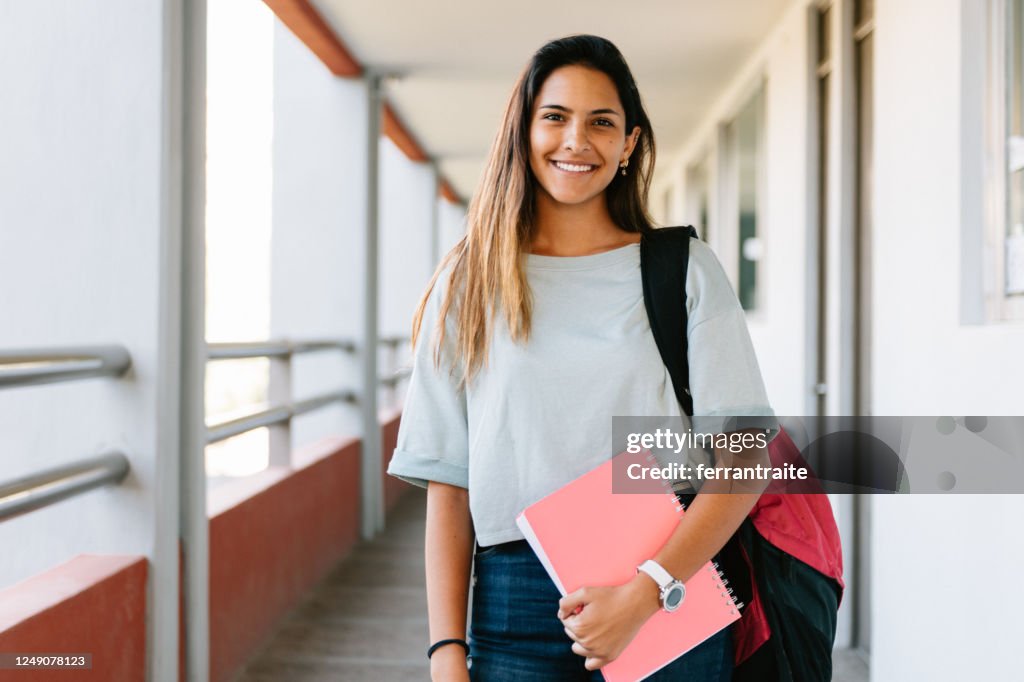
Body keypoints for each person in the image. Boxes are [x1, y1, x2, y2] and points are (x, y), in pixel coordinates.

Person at [387, 34, 777, 682]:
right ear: (524, 131)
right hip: (513, 608)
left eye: (602, 122)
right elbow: (448, 486)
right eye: (556, 117)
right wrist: (445, 653)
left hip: (665, 588)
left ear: (628, 144)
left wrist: (648, 589)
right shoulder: (470, 283)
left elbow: (744, 460)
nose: (577, 141)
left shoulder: (683, 272)